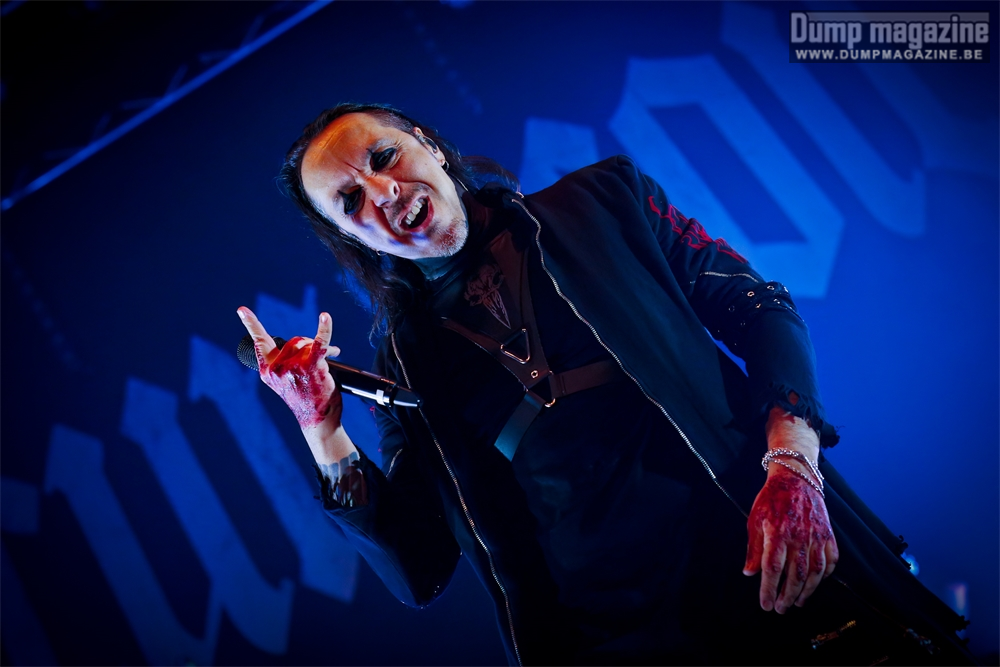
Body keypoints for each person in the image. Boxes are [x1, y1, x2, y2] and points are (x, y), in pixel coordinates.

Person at [237, 103, 973, 665]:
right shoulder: (407, 364)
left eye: (384, 156)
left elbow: (760, 311)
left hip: (773, 571)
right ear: (351, 237)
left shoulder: (603, 202)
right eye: (351, 201)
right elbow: (418, 569)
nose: (382, 190)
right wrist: (321, 429)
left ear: (427, 143)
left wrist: (792, 465)